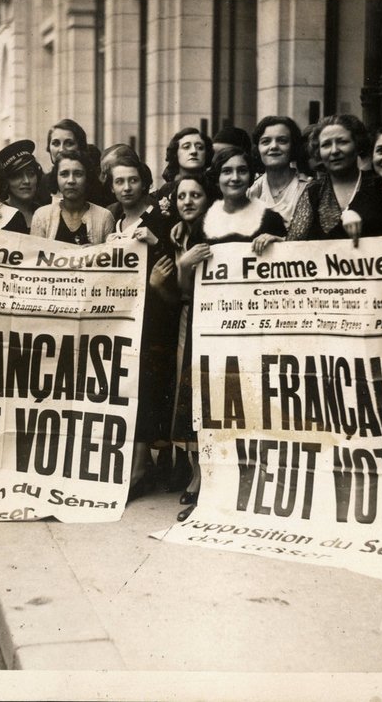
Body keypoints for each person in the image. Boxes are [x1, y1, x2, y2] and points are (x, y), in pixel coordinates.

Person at [104, 153, 179, 498]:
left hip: (154, 318)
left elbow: (171, 267)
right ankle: (134, 463)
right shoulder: (115, 222)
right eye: (119, 181)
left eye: (132, 180)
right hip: (124, 318)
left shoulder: (158, 220)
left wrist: (157, 244)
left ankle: (139, 465)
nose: (126, 187)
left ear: (145, 183)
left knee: (146, 389)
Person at [147, 174, 215, 520]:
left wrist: (185, 266)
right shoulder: (177, 235)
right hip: (188, 319)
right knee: (185, 392)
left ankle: (208, 475)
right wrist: (170, 277)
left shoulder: (213, 231)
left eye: (196, 194)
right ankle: (195, 473)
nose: (188, 201)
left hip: (215, 319)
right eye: (181, 196)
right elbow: (178, 295)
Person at [285, 114, 379, 243]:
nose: (334, 151)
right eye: (326, 145)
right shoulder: (313, 192)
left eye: (342, 142)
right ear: (318, 152)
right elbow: (294, 242)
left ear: (357, 145)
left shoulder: (377, 185)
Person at [30, 150, 114, 244]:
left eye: (78, 174)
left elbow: (110, 257)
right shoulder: (41, 216)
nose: (71, 181)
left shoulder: (104, 217)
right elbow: (35, 256)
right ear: (56, 178)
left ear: (87, 178)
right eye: (64, 174)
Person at [247, 115, 312, 227]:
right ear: (258, 148)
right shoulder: (251, 191)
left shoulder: (309, 187)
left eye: (282, 141)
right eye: (266, 141)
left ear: (293, 146)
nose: (273, 146)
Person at [0, 139, 48, 230]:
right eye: (17, 175)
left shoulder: (46, 214)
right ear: (6, 181)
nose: (26, 181)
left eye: (31, 173)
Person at [155, 127, 214, 201]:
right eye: (186, 147)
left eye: (200, 147)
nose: (194, 151)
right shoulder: (166, 190)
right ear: (176, 153)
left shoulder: (214, 188)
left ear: (206, 153)